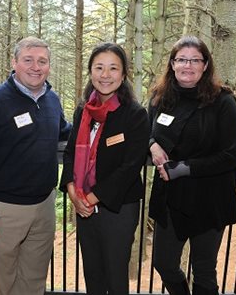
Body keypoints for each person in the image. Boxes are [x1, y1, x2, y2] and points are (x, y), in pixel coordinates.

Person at [0, 36, 71, 295]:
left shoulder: (51, 99)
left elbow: (64, 131)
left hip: (45, 204)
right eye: (28, 60)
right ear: (14, 63)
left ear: (49, 66)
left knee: (34, 279)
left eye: (42, 61)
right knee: (5, 282)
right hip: (6, 209)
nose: (36, 67)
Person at [148, 35, 236, 295]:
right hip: (171, 199)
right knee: (164, 263)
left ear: (205, 65)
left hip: (208, 199)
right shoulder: (160, 97)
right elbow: (147, 128)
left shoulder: (223, 101)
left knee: (203, 271)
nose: (187, 66)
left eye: (194, 60)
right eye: (181, 60)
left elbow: (230, 155)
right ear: (172, 63)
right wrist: (152, 143)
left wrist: (182, 168)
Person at [60, 42, 150, 295]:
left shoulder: (135, 114)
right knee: (93, 274)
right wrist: (71, 191)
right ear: (91, 72)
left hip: (118, 207)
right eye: (99, 67)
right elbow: (69, 154)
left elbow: (130, 167)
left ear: (123, 75)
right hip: (84, 206)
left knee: (115, 275)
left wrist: (90, 197)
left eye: (113, 68)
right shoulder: (83, 110)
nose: (105, 75)